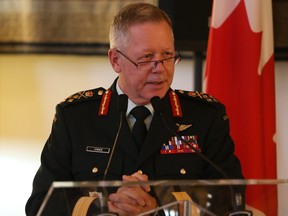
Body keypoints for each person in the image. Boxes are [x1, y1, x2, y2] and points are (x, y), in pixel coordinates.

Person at [26, 2, 244, 216]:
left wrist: (158, 208)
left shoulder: (205, 116)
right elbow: (40, 203)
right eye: (147, 58)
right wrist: (107, 207)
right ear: (115, 60)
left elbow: (232, 198)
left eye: (167, 55)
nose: (160, 69)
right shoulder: (76, 118)